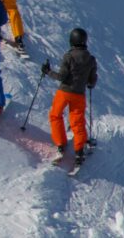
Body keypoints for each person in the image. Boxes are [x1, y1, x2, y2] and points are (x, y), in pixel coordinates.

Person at [41, 28, 98, 168]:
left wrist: (47, 71)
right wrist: (88, 83)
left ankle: (61, 144)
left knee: (55, 115)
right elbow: (92, 81)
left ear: (72, 41)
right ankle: (79, 152)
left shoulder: (69, 56)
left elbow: (61, 77)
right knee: (77, 122)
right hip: (79, 95)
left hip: (64, 92)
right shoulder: (91, 59)